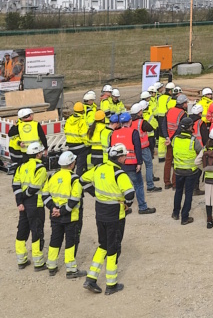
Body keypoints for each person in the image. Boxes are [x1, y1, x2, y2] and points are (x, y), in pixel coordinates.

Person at [81, 144, 136, 294]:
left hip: (100, 212)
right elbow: (130, 194)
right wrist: (127, 204)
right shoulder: (119, 174)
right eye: (124, 156)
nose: (125, 158)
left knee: (103, 245)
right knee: (113, 247)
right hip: (115, 215)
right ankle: (111, 285)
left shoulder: (99, 168)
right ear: (120, 158)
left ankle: (91, 278)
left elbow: (82, 180)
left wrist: (94, 193)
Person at [42, 150, 84, 278]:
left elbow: (45, 194)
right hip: (71, 216)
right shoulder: (74, 179)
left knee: (55, 238)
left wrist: (53, 208)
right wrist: (62, 211)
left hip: (55, 215)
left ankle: (51, 266)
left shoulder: (52, 176)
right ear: (71, 164)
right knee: (71, 241)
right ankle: (71, 269)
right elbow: (75, 199)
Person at [111, 112, 156, 215]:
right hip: (131, 164)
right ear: (130, 121)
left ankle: (122, 208)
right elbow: (137, 148)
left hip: (118, 165)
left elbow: (111, 149)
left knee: (120, 187)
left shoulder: (114, 133)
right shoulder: (133, 132)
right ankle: (142, 207)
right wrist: (139, 163)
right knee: (138, 185)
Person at [13, 141, 48, 270]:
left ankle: (21, 260)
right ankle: (38, 262)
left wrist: (19, 201)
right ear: (38, 154)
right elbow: (34, 188)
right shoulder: (40, 168)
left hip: (23, 205)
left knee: (22, 230)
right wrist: (23, 197)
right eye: (41, 152)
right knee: (36, 231)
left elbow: (16, 185)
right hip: (35, 203)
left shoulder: (21, 167)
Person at [171, 117, 202, 225]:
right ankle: (185, 217)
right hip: (190, 171)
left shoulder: (175, 139)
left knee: (178, 191)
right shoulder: (193, 140)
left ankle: (175, 213)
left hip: (178, 170)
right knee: (188, 194)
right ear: (190, 127)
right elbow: (201, 152)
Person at [131, 100, 161, 194]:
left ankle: (135, 187)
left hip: (134, 148)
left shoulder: (129, 122)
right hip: (143, 147)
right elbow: (150, 128)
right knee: (149, 165)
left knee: (136, 168)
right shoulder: (141, 122)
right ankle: (150, 186)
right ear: (139, 112)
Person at [163, 93, 189, 189]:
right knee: (176, 161)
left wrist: (167, 137)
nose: (187, 105)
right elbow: (179, 128)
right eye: (186, 103)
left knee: (168, 161)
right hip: (177, 140)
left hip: (168, 139)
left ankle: (166, 182)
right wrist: (171, 139)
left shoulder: (169, 111)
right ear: (183, 104)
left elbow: (164, 125)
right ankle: (175, 183)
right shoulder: (183, 114)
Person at [65, 102, 91, 176]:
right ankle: (78, 179)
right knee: (80, 166)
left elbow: (66, 131)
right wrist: (88, 144)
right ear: (82, 111)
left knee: (70, 165)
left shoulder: (69, 120)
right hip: (80, 147)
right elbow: (84, 135)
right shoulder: (82, 120)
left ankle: (69, 177)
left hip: (71, 146)